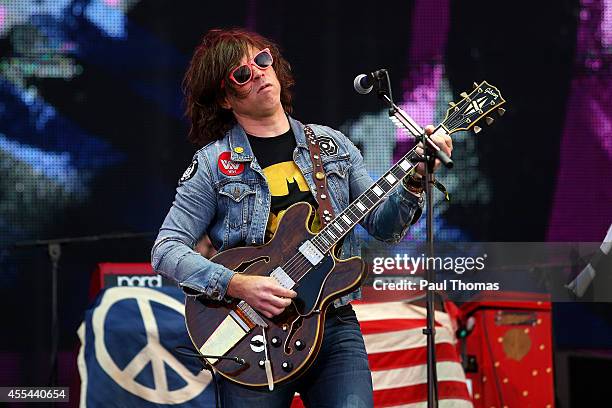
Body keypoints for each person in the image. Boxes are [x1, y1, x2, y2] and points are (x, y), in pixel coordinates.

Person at [151, 28, 452, 408]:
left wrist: (415, 180)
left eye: (261, 60)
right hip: (254, 338)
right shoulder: (213, 164)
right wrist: (238, 284)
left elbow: (384, 226)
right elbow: (166, 250)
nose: (259, 72)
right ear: (226, 99)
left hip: (334, 323)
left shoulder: (332, 145)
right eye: (241, 74)